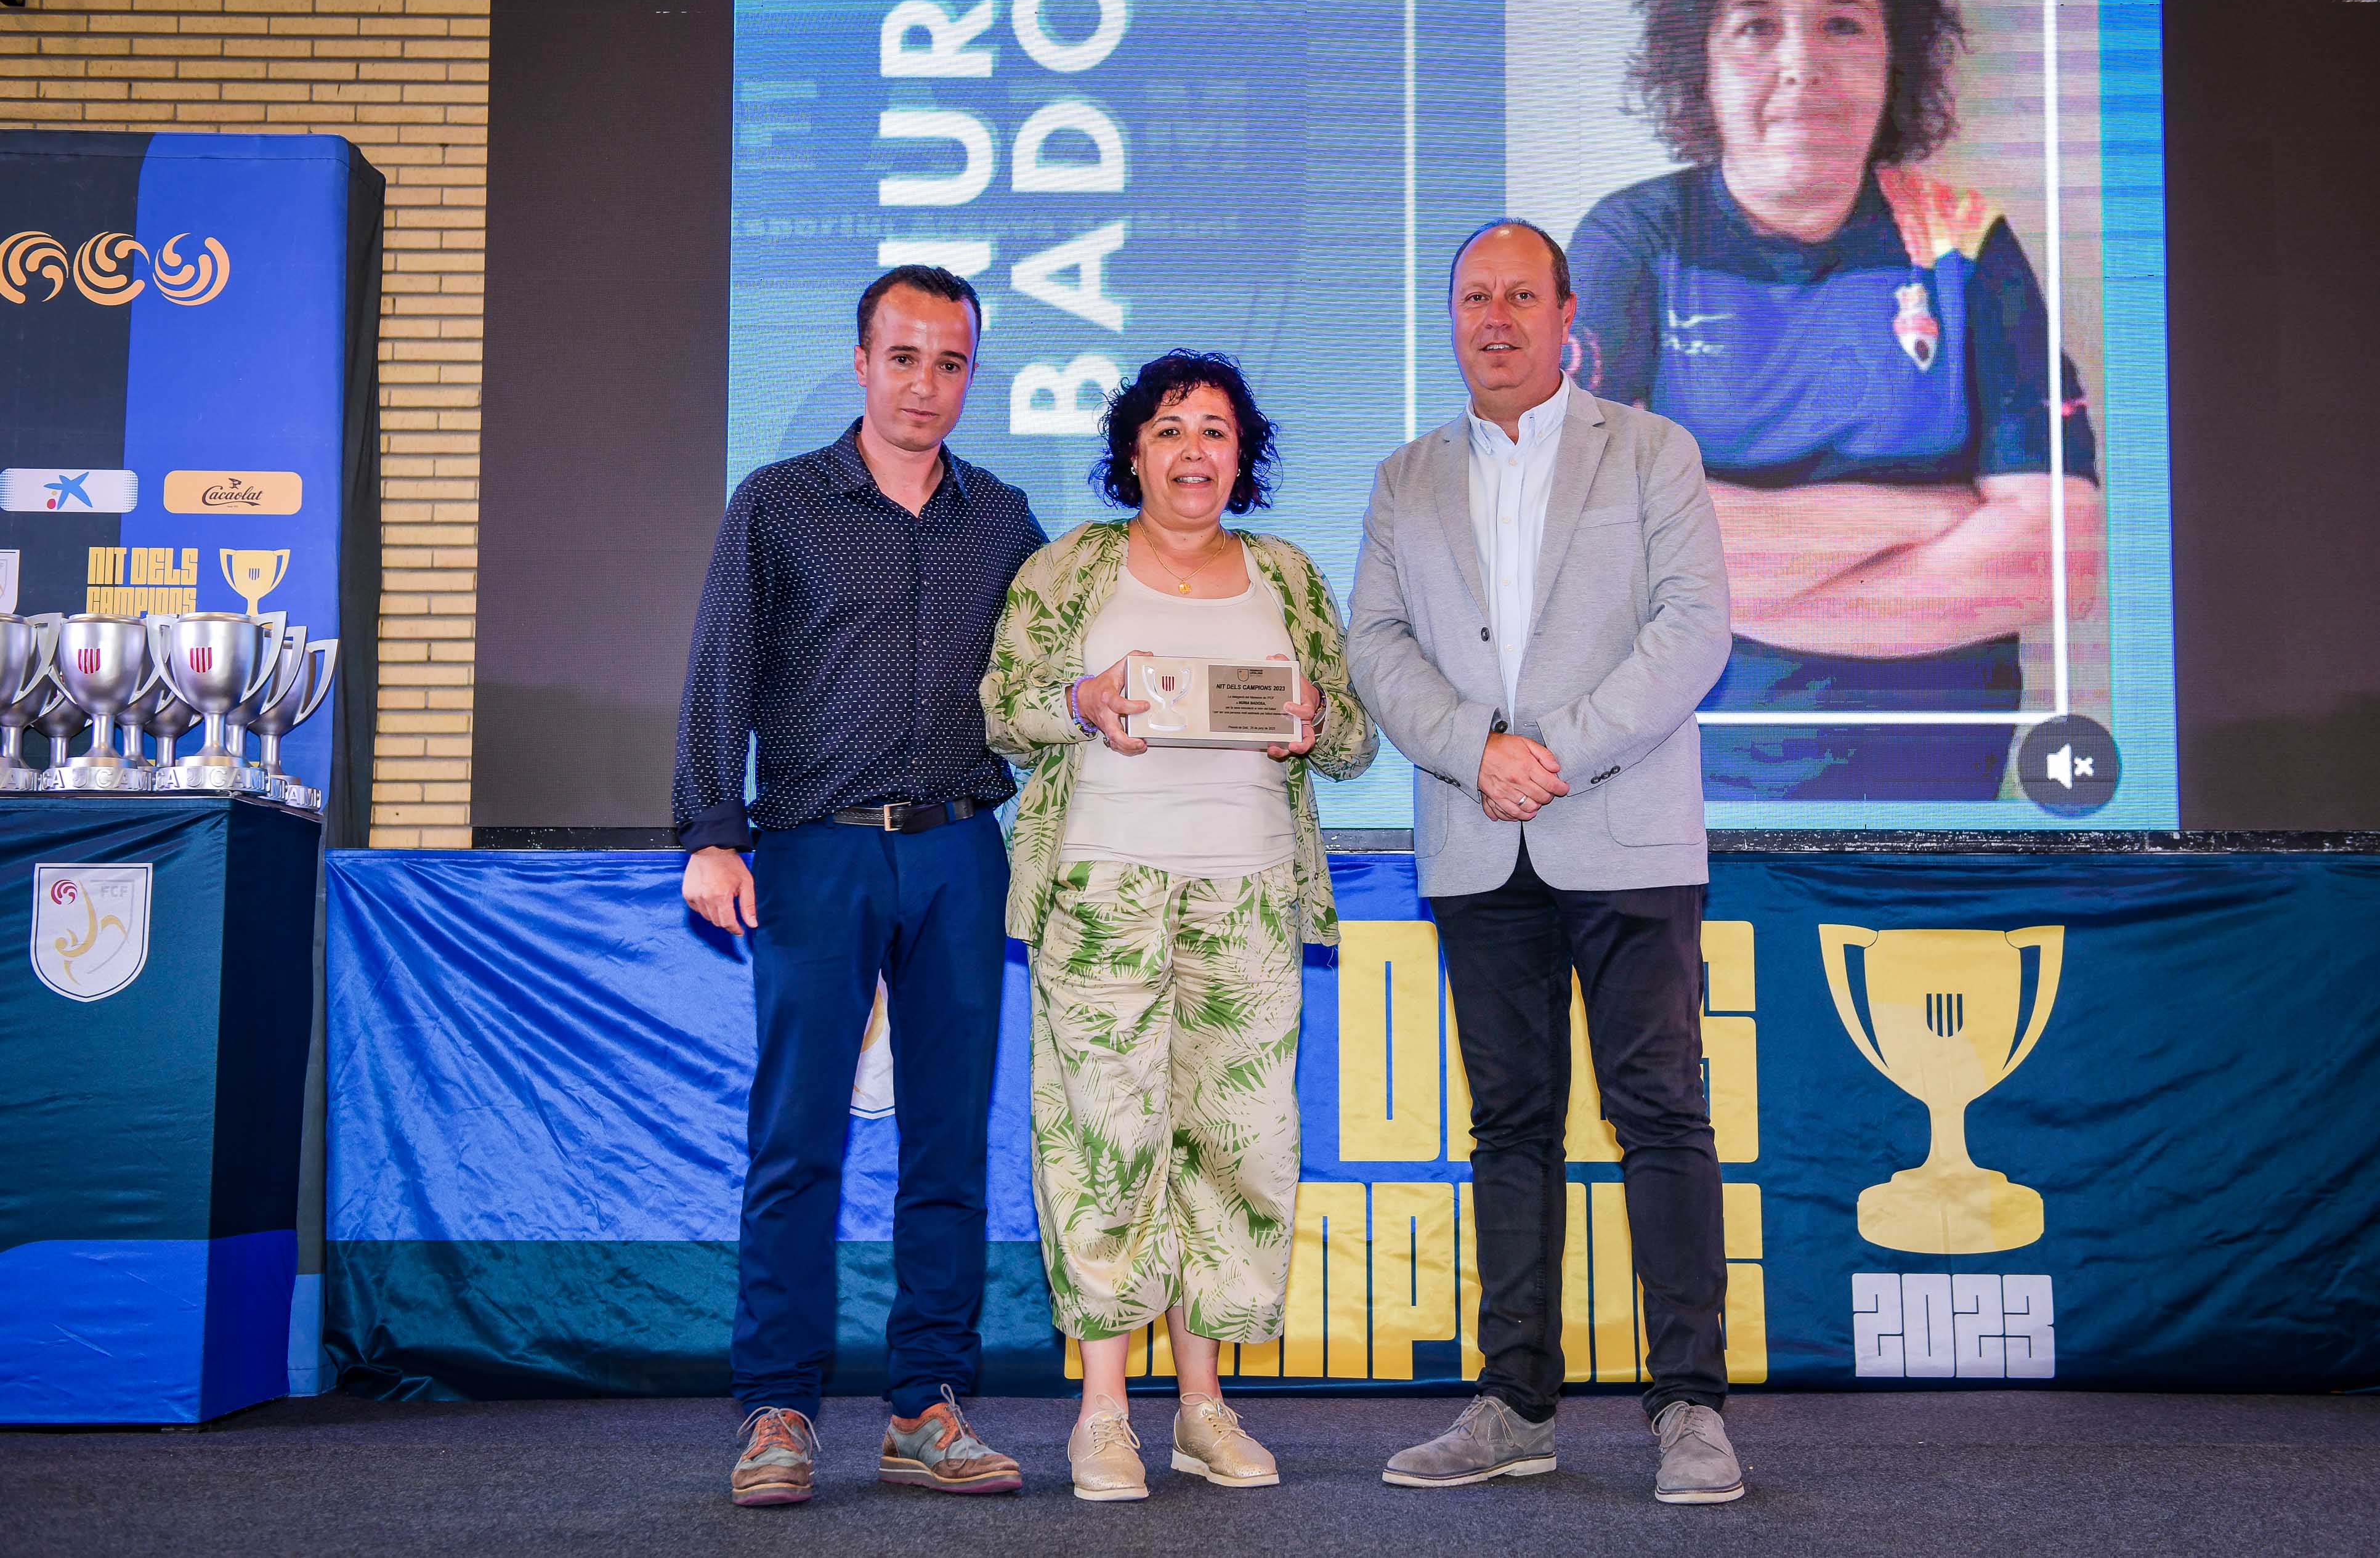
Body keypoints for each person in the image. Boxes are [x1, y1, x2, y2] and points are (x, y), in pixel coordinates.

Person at [1350, 220, 1742, 1504]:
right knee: (1508, 1126)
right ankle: (1513, 1404)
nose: (1496, 318)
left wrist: (1550, 753)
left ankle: (1689, 1407)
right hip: (1479, 843)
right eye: (1475, 297)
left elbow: (1694, 628)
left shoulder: (1652, 450)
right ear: (1450, 318)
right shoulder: (1405, 477)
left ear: (1568, 315)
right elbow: (1376, 647)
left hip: (1623, 830)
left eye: (1522, 295)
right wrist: (1478, 750)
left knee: (1659, 1115)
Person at [1569, 0, 2101, 800]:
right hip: (1681, 799)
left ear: (1897, 57)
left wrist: (1715, 591)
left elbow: (2058, 562)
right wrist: (1926, 512)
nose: (1801, 64)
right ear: (1699, 62)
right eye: (1756, 26)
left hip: (1939, 801)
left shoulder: (1965, 242)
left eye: (1843, 24)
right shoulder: (1635, 240)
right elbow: (1595, 546)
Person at [674, 265, 1044, 1505]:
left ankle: (925, 1404)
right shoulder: (780, 503)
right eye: (903, 357)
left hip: (959, 851)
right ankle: (777, 1408)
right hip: (813, 848)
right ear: (860, 362)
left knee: (948, 1139)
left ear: (969, 375)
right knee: (796, 1138)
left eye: (949, 363)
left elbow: (1055, 668)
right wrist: (711, 831)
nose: (924, 385)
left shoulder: (1002, 519)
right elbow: (721, 668)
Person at [982, 350, 1378, 1501]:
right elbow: (1002, 709)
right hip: (1102, 895)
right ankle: (1103, 1417)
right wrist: (1081, 701)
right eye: (1167, 429)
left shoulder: (1287, 575)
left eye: (1213, 430)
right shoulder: (1070, 567)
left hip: (1249, 896)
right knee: (1102, 1148)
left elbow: (1355, 741)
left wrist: (1314, 718)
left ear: (1242, 457)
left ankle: (1202, 1410)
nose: (1191, 451)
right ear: (1132, 454)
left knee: (1234, 1149)